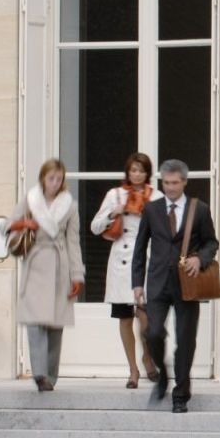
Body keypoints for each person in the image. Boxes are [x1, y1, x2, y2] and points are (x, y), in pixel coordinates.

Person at [132, 159, 218, 413]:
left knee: (186, 340)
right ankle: (162, 377)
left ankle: (181, 395)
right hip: (157, 282)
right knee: (153, 333)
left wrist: (199, 259)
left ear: (184, 182)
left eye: (175, 183)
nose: (170, 187)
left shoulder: (199, 209)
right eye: (166, 183)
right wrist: (137, 284)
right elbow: (139, 248)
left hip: (188, 283)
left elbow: (211, 243)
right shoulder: (152, 209)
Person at [7, 159, 85, 391]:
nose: (55, 183)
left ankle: (50, 376)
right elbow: (5, 226)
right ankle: (39, 374)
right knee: (35, 322)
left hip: (60, 265)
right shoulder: (30, 200)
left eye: (59, 179)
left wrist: (77, 275)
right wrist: (24, 223)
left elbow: (73, 242)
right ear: (43, 178)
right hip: (35, 264)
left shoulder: (70, 205)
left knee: (55, 326)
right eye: (51, 178)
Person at [90, 152, 163, 389]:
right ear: (128, 172)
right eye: (133, 170)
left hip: (147, 259)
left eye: (141, 170)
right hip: (121, 260)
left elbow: (166, 230)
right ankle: (133, 370)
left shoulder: (156, 196)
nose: (137, 174)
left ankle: (147, 357)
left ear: (147, 173)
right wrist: (115, 212)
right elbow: (94, 227)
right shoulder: (115, 195)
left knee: (146, 317)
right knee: (124, 318)